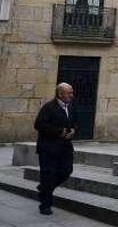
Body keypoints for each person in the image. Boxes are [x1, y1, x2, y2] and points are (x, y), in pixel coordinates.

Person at [33, 83, 77, 215]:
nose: (71, 95)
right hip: (48, 148)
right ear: (60, 94)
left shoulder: (71, 106)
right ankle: (45, 205)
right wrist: (59, 132)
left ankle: (45, 188)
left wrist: (74, 130)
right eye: (69, 93)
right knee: (48, 176)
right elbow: (39, 124)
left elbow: (75, 121)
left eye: (71, 92)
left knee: (66, 171)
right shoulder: (49, 107)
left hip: (65, 147)